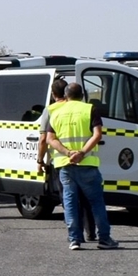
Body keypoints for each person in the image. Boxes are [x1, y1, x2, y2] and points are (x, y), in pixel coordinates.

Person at [46, 82, 119, 250]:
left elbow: (50, 139)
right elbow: (97, 134)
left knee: (70, 202)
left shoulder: (56, 112)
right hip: (87, 164)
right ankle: (104, 239)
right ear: (82, 95)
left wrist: (67, 152)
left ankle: (74, 239)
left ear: (66, 95)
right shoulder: (89, 109)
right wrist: (82, 153)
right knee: (96, 203)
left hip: (65, 165)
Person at [37, 78, 96, 242]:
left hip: (61, 161)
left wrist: (40, 161)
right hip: (85, 159)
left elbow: (44, 139)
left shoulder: (51, 110)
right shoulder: (83, 108)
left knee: (68, 199)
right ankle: (91, 232)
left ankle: (75, 235)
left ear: (54, 94)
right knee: (86, 198)